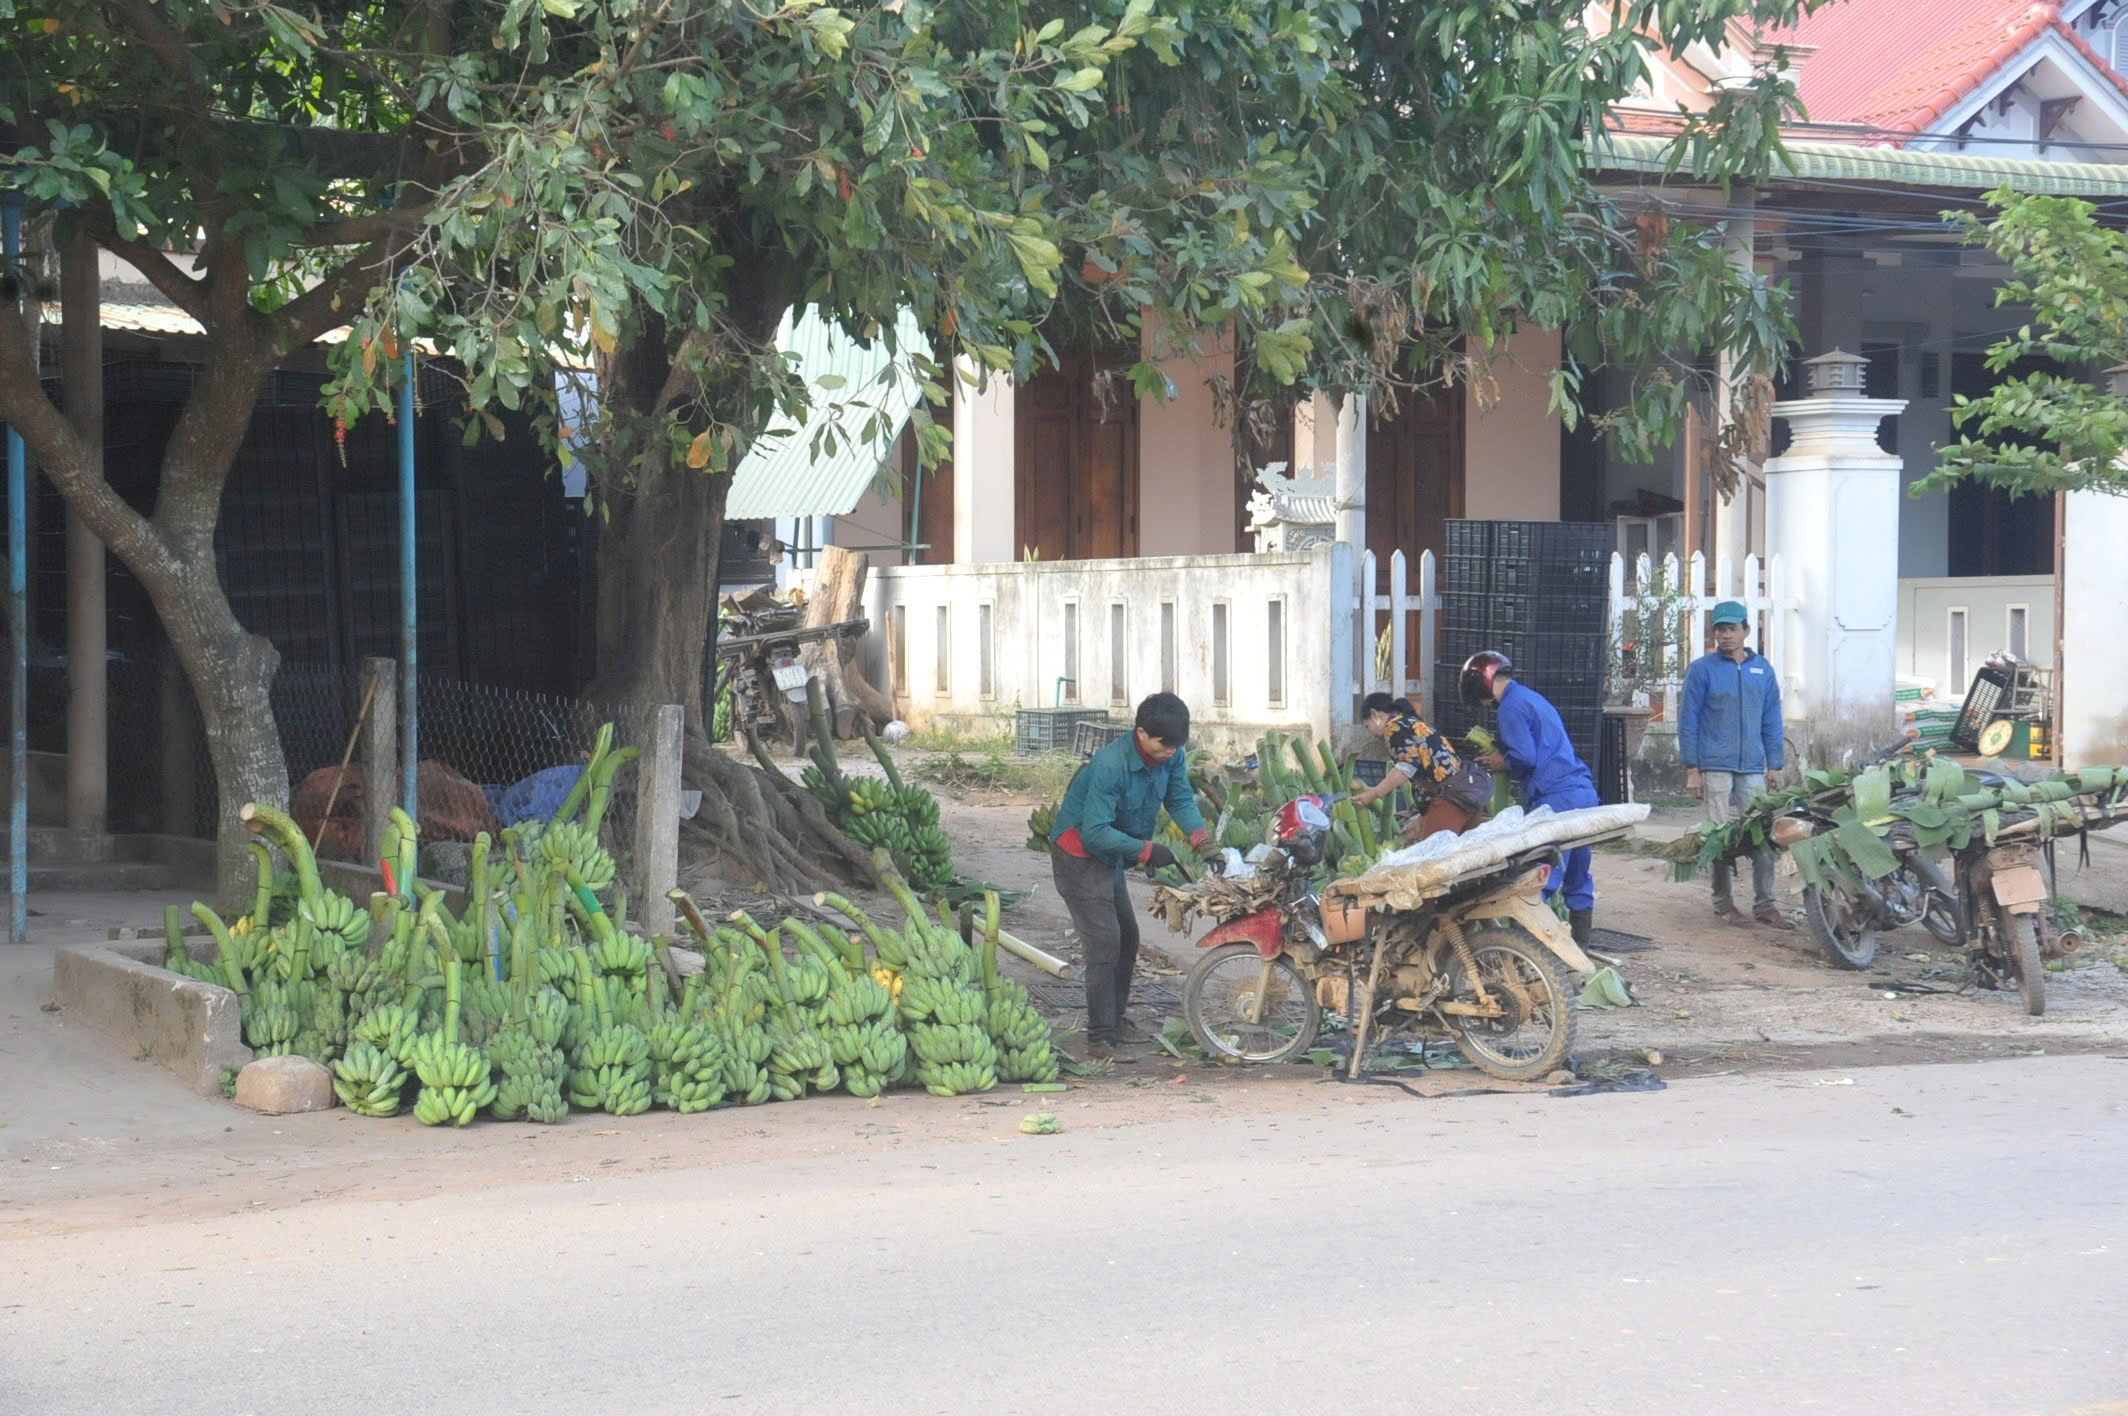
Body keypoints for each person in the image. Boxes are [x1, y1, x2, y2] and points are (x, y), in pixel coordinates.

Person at [1048, 692, 1209, 1061]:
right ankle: (1100, 1037)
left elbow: (1181, 799)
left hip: (1113, 855)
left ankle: (1116, 1020)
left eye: (1176, 745)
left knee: (1128, 938)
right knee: (1105, 943)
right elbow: (1095, 833)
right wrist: (1149, 850)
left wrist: (1202, 840)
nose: (1170, 751)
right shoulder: (1109, 765)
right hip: (1081, 856)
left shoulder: (1172, 754)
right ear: (1140, 733)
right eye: (1163, 744)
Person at [1462, 651, 1600, 947]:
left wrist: (1501, 760)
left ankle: (1523, 953)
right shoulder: (1532, 698)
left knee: (1538, 878)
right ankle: (1581, 952)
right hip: (1582, 792)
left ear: (1481, 685)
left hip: (1556, 797)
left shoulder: (1509, 707)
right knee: (1577, 875)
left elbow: (1525, 756)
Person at [1679, 600, 1792, 930]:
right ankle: (1723, 903)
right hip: (1714, 765)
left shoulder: (1762, 669)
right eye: (1719, 629)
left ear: (1746, 630)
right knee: (1719, 837)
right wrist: (1692, 768)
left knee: (1762, 836)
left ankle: (1765, 904)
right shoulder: (1702, 670)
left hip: (1753, 766)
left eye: (1731, 629)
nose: (1725, 635)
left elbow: (1772, 718)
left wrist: (1775, 765)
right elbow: (1689, 720)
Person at [1349, 692, 1493, 842]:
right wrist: (1424, 819)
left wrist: (1375, 793)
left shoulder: (1394, 728)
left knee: (1433, 857)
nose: (1371, 732)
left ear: (1375, 715)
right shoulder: (1410, 722)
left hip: (1453, 797)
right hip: (1469, 792)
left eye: (1367, 726)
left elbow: (1406, 766)